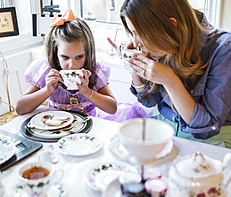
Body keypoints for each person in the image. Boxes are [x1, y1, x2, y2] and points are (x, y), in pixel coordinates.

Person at [108, 0, 231, 148]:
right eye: (132, 33)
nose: (136, 43)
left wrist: (170, 80)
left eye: (140, 33)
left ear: (171, 25)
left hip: (209, 142)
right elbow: (149, 101)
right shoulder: (162, 45)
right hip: (162, 129)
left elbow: (206, 129)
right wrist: (133, 67)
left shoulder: (226, 48)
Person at [16, 10, 146, 121]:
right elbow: (20, 108)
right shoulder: (47, 70)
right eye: (65, 57)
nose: (72, 65)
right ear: (56, 54)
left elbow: (112, 108)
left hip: (89, 124)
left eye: (79, 57)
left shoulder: (94, 70)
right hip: (57, 125)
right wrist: (47, 90)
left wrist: (87, 91)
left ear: (87, 54)